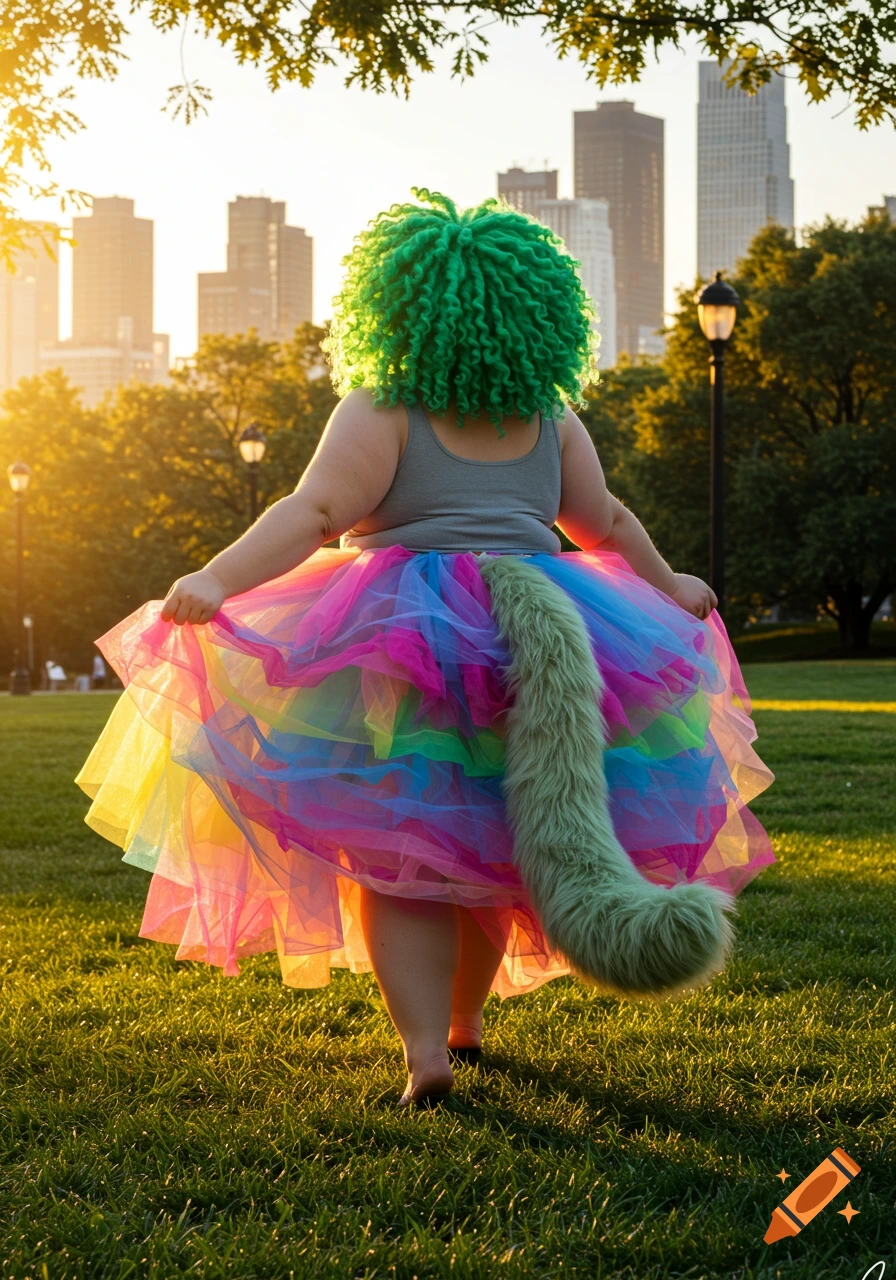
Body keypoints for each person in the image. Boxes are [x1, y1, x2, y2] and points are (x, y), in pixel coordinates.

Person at [75, 189, 775, 1108]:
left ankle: (425, 1053)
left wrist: (218, 577)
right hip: (542, 633)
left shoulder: (383, 407)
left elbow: (315, 513)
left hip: (406, 636)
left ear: (396, 304)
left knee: (402, 853)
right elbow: (603, 523)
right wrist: (670, 583)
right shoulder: (549, 415)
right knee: (485, 847)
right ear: (538, 312)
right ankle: (464, 1023)